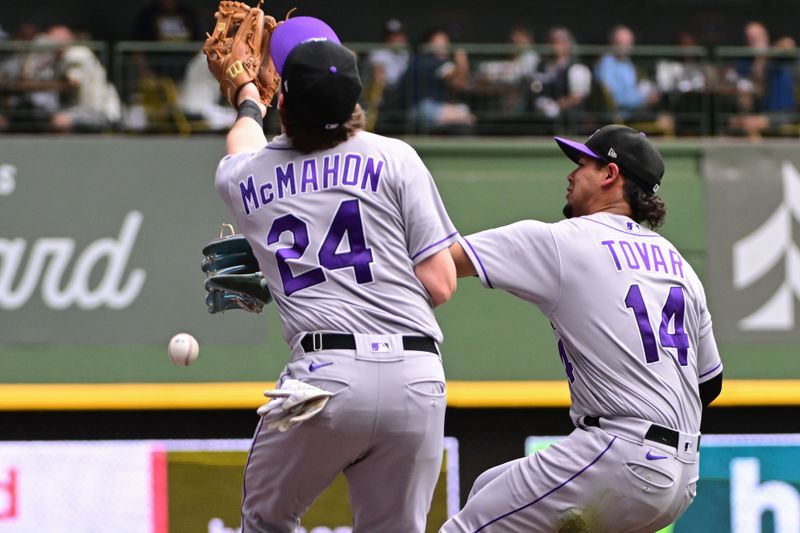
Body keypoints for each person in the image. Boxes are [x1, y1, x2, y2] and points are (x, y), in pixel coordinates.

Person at [212, 17, 458, 533]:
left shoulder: (243, 176)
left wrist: (247, 95)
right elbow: (440, 284)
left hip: (325, 378)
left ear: (285, 104)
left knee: (266, 519)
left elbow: (244, 138)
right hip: (417, 377)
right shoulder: (397, 158)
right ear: (355, 106)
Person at [440, 125, 723, 532]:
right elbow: (709, 384)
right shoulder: (678, 263)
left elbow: (442, 263)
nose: (572, 174)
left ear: (610, 175)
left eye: (583, 163)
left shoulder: (565, 241)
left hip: (619, 455)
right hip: (683, 476)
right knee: (489, 485)